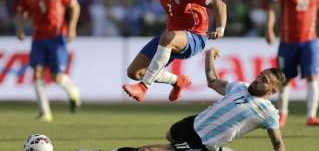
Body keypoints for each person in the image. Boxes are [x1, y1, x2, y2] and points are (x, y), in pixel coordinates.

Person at [113, 48, 287, 151]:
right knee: (170, 135)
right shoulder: (240, 86)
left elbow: (278, 142)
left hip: (201, 142)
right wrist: (209, 56)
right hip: (193, 122)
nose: (257, 79)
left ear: (272, 91)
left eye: (264, 80)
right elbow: (213, 82)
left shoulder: (269, 113)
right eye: (260, 75)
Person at [111, 0, 227, 102]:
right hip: (172, 36)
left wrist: (220, 29)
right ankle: (178, 81)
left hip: (195, 36)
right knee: (135, 72)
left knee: (167, 36)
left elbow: (219, 4)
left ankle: (143, 87)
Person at [16, 0, 81, 122]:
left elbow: (75, 6)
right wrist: (21, 28)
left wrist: (72, 28)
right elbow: (22, 12)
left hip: (57, 38)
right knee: (37, 73)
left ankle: (73, 92)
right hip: (38, 38)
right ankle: (45, 112)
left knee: (56, 77)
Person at [265, 0, 319, 127]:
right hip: (287, 42)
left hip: (310, 42)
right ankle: (283, 113)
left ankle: (311, 116)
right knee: (284, 79)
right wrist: (269, 29)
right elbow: (273, 9)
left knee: (312, 76)